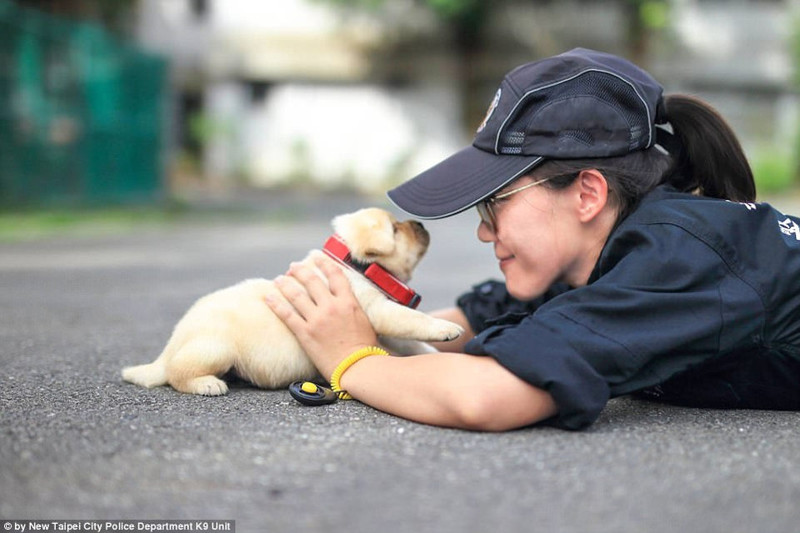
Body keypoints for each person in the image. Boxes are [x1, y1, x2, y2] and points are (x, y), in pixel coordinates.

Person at [265, 48, 800, 431]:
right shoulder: (605, 254)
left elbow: (485, 396)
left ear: (587, 194)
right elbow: (471, 323)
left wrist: (353, 360)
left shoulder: (679, 257)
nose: (482, 231)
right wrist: (333, 323)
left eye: (495, 205)